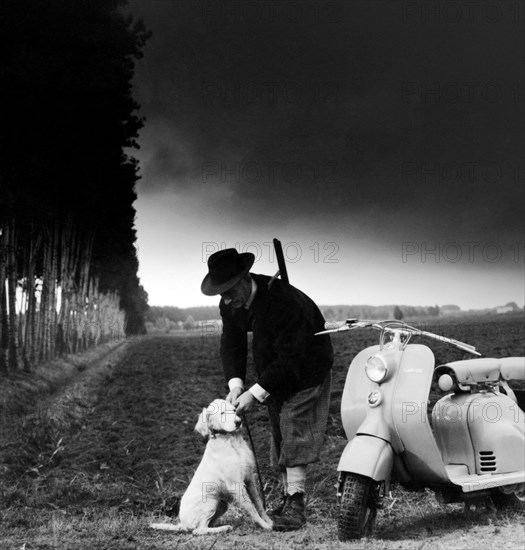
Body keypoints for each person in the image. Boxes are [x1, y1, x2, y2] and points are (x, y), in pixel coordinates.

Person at [201, 248, 333, 532]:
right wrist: (236, 386)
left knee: (294, 427)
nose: (226, 299)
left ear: (245, 278)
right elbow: (232, 344)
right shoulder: (230, 304)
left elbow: (292, 357)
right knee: (279, 433)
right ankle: (287, 500)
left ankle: (296, 506)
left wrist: (255, 392)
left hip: (307, 366)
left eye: (229, 290)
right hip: (275, 369)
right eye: (221, 293)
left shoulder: (283, 301)